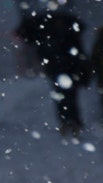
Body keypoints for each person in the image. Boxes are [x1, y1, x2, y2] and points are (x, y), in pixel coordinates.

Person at [15, 1, 86, 135]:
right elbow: (79, 37)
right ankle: (74, 122)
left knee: (60, 94)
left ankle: (66, 122)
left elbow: (25, 35)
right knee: (70, 94)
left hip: (55, 65)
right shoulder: (67, 22)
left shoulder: (42, 23)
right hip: (69, 64)